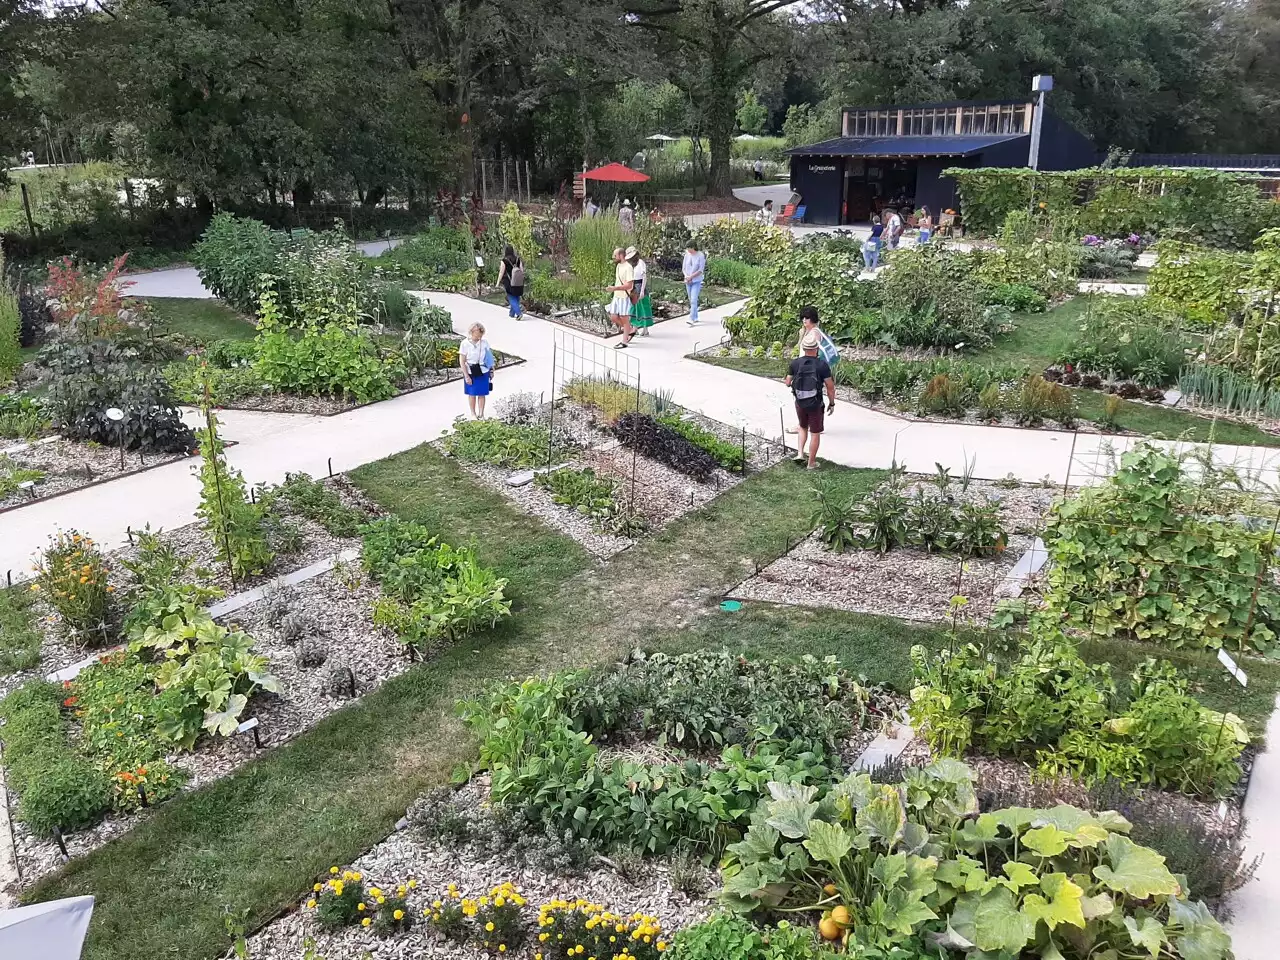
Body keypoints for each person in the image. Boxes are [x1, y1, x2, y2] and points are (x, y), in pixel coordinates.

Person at [785, 330, 836, 469]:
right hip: (815, 403)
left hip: (800, 402)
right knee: (815, 432)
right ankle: (811, 463)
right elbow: (830, 387)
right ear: (816, 348)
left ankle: (800, 454)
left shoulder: (795, 363)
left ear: (804, 348)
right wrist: (832, 403)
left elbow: (788, 382)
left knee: (802, 427)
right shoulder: (821, 365)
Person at [460, 321, 495, 418]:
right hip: (471, 371)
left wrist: (491, 370)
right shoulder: (465, 344)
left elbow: (489, 357)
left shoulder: (484, 343)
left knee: (482, 393)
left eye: (480, 335)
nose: (479, 337)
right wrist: (466, 376)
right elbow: (462, 361)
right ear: (471, 333)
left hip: (483, 371)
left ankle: (481, 413)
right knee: (472, 393)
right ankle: (473, 413)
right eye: (477, 335)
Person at [606, 246, 636, 347]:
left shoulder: (628, 267)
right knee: (613, 317)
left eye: (615, 255)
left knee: (624, 318)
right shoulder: (618, 266)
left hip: (624, 296)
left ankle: (624, 341)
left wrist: (615, 288)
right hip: (616, 296)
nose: (613, 257)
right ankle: (630, 329)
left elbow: (629, 285)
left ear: (621, 255)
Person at [796, 305, 840, 370]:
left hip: (810, 368)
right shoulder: (806, 331)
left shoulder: (815, 332)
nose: (804, 320)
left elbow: (814, 353)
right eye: (803, 318)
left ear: (813, 318)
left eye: (807, 318)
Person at [627, 246, 654, 337]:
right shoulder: (631, 264)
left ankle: (645, 329)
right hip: (633, 286)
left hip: (640, 285)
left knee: (643, 307)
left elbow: (644, 277)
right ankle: (635, 328)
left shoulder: (641, 263)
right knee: (633, 308)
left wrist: (642, 290)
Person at [497, 244, 525, 319]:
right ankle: (511, 313)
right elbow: (522, 270)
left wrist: (498, 282)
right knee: (516, 297)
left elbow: (501, 272)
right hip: (518, 281)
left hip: (509, 281)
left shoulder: (504, 260)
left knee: (511, 298)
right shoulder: (518, 259)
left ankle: (519, 313)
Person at [683, 239, 706, 327]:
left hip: (696, 281)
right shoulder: (687, 255)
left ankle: (691, 318)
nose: (688, 250)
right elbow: (684, 268)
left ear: (693, 247)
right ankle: (695, 316)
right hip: (687, 281)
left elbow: (700, 270)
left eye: (689, 248)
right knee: (691, 300)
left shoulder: (700, 255)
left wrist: (691, 277)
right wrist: (686, 276)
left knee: (693, 299)